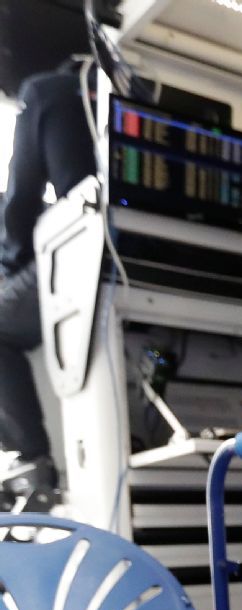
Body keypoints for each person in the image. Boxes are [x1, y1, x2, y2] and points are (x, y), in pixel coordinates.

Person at [0, 62, 97, 506]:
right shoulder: (113, 83)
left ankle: (33, 461)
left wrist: (12, 260)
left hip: (86, 239)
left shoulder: (43, 89)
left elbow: (21, 195)